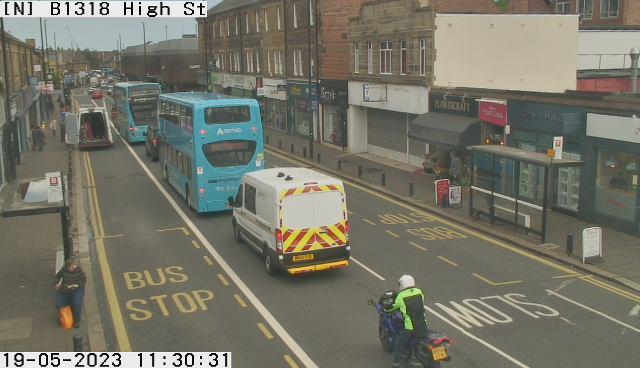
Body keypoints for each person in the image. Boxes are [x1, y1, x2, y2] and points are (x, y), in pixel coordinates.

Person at [386, 275, 428, 368]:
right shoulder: (419, 292)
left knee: (398, 343)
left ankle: (396, 363)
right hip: (422, 324)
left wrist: (386, 309)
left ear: (402, 284)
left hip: (410, 328)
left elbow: (394, 307)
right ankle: (412, 356)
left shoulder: (401, 296)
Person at [54, 257, 86, 328]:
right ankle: (64, 316)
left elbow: (84, 280)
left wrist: (77, 285)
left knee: (77, 304)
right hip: (65, 289)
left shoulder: (79, 270)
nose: (73, 268)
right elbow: (57, 277)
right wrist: (56, 283)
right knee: (58, 303)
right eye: (71, 267)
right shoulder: (63, 270)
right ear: (67, 267)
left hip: (77, 290)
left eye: (73, 266)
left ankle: (77, 320)